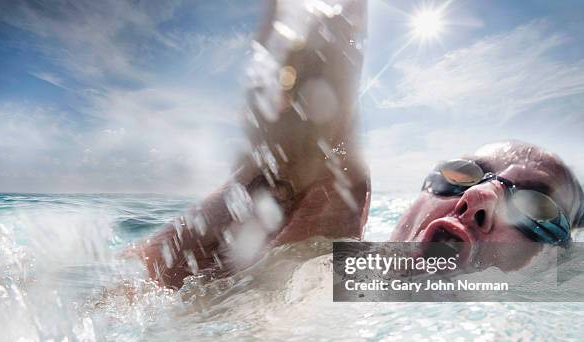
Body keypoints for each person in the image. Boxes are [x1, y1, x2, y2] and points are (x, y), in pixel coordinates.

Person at [135, 0, 583, 288]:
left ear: (558, 264)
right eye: (460, 174)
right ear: (416, 200)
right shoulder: (313, 237)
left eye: (534, 209)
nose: (476, 196)